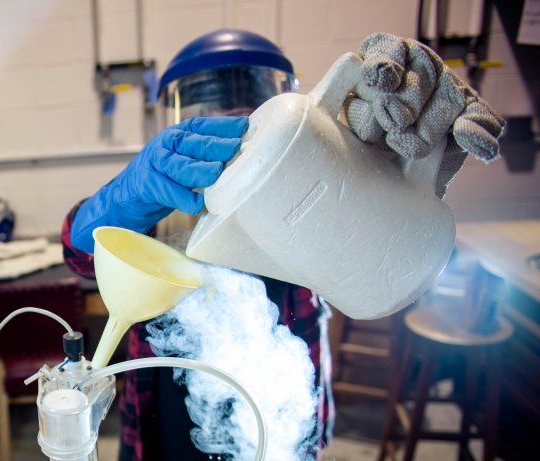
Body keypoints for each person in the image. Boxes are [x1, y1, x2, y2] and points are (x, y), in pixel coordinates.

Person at [61, 30, 503, 461]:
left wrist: (373, 174)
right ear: (182, 120)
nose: (235, 127)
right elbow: (81, 255)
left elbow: (386, 267)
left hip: (284, 407)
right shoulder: (165, 192)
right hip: (165, 421)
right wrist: (127, 194)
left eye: (251, 106)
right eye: (211, 109)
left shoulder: (310, 184)